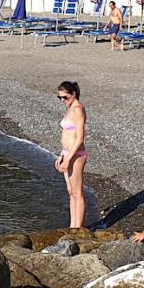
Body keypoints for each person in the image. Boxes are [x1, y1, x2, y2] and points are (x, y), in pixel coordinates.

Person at [54, 81, 88, 229]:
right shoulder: (69, 109)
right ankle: (72, 225)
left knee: (77, 191)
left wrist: (68, 159)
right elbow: (66, 134)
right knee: (71, 191)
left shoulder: (78, 110)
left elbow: (79, 137)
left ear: (73, 94)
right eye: (60, 97)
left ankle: (77, 228)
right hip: (67, 153)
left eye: (65, 97)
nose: (63, 100)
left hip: (77, 154)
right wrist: (62, 154)